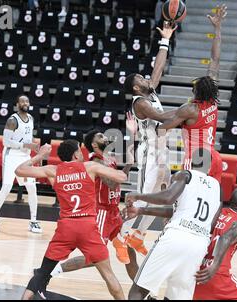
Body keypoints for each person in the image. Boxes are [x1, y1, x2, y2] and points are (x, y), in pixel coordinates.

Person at [16, 140, 127, 300]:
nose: (82, 154)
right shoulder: (89, 166)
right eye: (80, 151)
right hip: (88, 226)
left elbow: (20, 170)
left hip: (66, 227)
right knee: (108, 275)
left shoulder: (53, 170)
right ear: (76, 154)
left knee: (43, 272)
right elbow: (121, 177)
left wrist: (39, 155)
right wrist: (106, 162)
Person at [122, 149, 222, 300]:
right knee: (177, 297)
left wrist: (137, 195)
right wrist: (141, 210)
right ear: (209, 167)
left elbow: (168, 198)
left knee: (139, 290)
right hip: (199, 244)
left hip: (176, 236)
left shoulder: (185, 175)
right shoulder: (217, 188)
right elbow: (210, 223)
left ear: (190, 161)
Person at [50, 112, 140, 280]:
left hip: (113, 212)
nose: (105, 137)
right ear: (94, 144)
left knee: (128, 250)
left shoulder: (108, 158)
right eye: (101, 136)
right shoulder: (96, 161)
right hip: (102, 213)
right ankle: (53, 270)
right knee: (95, 257)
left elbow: (123, 170)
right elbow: (113, 183)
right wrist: (126, 167)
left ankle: (142, 293)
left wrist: (132, 135)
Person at [120, 21, 178, 258]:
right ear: (136, 87)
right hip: (149, 152)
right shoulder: (140, 103)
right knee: (143, 197)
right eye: (141, 79)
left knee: (163, 198)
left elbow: (158, 69)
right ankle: (120, 237)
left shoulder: (149, 91)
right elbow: (162, 117)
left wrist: (165, 40)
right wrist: (188, 114)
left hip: (162, 150)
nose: (146, 78)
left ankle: (137, 236)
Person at [159, 4, 227, 184]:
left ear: (195, 90)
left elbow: (163, 128)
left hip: (196, 160)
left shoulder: (190, 109)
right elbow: (215, 59)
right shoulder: (213, 101)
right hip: (214, 158)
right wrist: (218, 28)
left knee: (185, 201)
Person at [0, 95, 41, 233]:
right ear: (17, 104)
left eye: (27, 101)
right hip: (11, 155)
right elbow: (6, 142)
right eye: (22, 101)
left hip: (25, 156)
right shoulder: (12, 120)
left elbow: (28, 138)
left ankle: (33, 221)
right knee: (7, 186)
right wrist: (25, 144)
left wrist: (36, 150)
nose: (25, 103)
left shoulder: (31, 118)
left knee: (32, 188)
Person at [193, 187, 237, 300]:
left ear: (230, 200)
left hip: (195, 273)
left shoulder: (213, 213)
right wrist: (215, 265)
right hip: (215, 275)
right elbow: (225, 238)